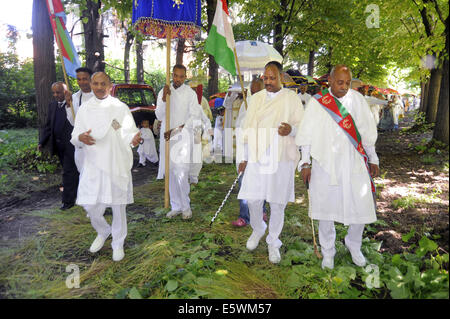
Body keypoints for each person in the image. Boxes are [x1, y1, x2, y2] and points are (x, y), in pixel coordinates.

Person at [295, 64, 380, 270]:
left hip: (353, 161)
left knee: (360, 204)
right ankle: (328, 251)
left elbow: (367, 133)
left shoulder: (357, 100)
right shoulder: (318, 103)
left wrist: (373, 158)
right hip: (325, 163)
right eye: (340, 82)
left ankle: (354, 244)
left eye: (347, 83)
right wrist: (305, 162)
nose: (344, 86)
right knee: (325, 208)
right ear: (330, 81)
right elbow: (306, 134)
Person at [70, 72, 141, 262]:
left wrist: (133, 138)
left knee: (118, 206)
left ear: (110, 85)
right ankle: (103, 231)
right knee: (90, 205)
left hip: (115, 162)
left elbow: (122, 130)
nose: (99, 87)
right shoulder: (85, 109)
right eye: (95, 83)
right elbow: (75, 135)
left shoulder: (118, 108)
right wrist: (80, 138)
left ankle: (118, 243)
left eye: (103, 84)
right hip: (93, 164)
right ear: (91, 85)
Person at [237, 61, 304, 264]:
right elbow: (247, 129)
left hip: (281, 156)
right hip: (257, 156)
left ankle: (273, 241)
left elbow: (303, 126)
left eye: (272, 78)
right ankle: (258, 229)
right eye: (265, 78)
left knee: (277, 202)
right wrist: (244, 157)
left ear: (281, 77)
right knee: (254, 199)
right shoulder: (255, 98)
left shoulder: (292, 99)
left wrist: (291, 130)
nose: (268, 82)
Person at [155, 64, 201, 219]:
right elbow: (159, 115)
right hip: (167, 137)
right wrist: (163, 99)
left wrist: (176, 130)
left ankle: (186, 206)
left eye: (182, 76)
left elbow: (194, 116)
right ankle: (176, 205)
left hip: (182, 136)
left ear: (185, 77)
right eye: (176, 75)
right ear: (172, 75)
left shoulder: (190, 94)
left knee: (181, 171)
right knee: (170, 171)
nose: (178, 79)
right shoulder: (165, 91)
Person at [232, 78, 268, 227]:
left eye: (257, 91)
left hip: (262, 151)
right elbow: (239, 127)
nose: (254, 94)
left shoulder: (268, 104)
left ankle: (262, 211)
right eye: (252, 91)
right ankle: (244, 216)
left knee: (262, 183)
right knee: (244, 182)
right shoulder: (246, 105)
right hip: (245, 151)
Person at [38, 82, 79, 210]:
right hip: (59, 147)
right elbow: (49, 125)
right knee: (72, 172)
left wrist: (69, 104)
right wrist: (42, 141)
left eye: (59, 92)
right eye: (54, 92)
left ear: (66, 92)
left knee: (68, 172)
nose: (56, 95)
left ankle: (68, 202)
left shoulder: (73, 105)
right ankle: (78, 195)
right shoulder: (52, 105)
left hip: (72, 146)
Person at [65, 67, 95, 173]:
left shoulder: (99, 96)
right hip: (81, 145)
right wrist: (68, 105)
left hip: (97, 144)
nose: (81, 82)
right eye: (79, 79)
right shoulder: (74, 97)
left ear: (91, 79)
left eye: (84, 79)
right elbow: (73, 122)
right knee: (83, 177)